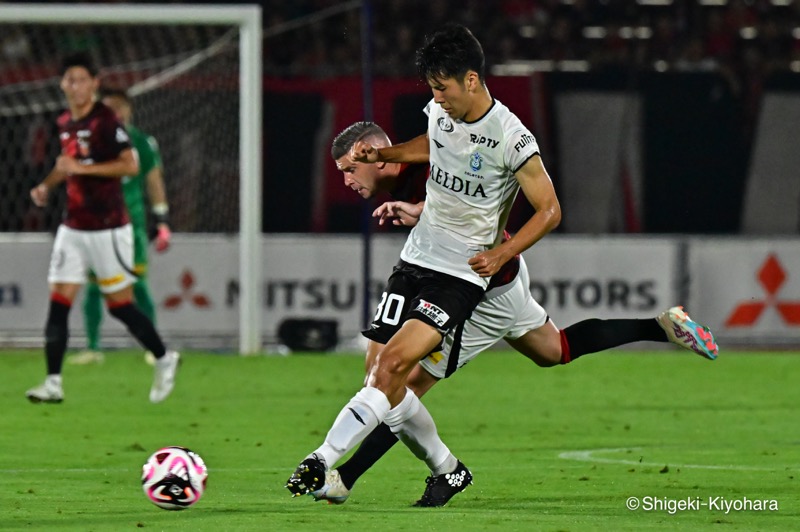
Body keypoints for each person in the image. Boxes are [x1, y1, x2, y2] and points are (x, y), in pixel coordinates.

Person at [305, 121, 718, 506]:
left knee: (400, 384)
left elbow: (460, 177)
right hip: (505, 278)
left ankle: (350, 478)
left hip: (481, 292)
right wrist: (420, 212)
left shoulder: (429, 160)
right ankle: (661, 326)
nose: (346, 181)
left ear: (375, 154)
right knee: (555, 349)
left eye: (349, 169)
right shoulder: (424, 166)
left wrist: (420, 209)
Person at [286, 23, 564, 504]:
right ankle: (447, 469)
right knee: (378, 375)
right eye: (433, 89)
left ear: (471, 80)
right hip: (416, 258)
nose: (437, 99)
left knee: (395, 366)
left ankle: (323, 460)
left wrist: (503, 252)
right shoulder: (442, 111)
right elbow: (433, 142)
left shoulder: (511, 137)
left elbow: (550, 210)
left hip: (460, 275)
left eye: (443, 88)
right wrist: (386, 153)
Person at [25, 53, 180, 404]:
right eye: (70, 79)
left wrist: (83, 169)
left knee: (119, 305)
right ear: (62, 84)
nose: (75, 86)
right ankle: (53, 382)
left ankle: (163, 357)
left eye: (82, 79)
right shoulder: (66, 121)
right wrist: (46, 186)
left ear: (94, 83)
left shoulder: (107, 121)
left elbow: (129, 166)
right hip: (74, 227)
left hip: (109, 229)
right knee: (59, 301)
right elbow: (67, 164)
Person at [70, 88, 172, 365]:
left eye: (119, 108)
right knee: (93, 288)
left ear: (129, 111)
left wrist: (161, 219)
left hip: (130, 226)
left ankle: (154, 349)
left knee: (138, 285)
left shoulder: (142, 142)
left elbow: (154, 182)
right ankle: (93, 348)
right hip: (96, 225)